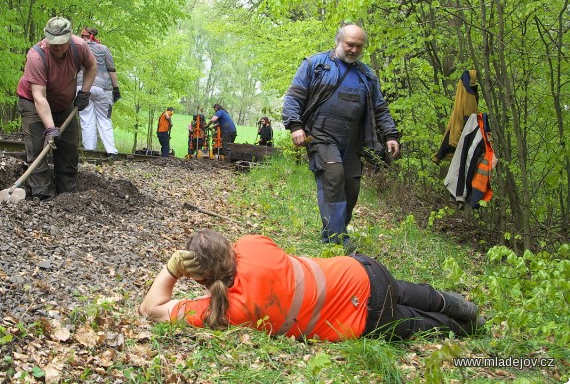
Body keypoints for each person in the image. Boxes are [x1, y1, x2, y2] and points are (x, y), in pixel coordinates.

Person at [138, 229, 484, 342]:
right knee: (407, 290)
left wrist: (171, 270)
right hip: (362, 270)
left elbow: (150, 309)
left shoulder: (229, 310)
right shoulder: (253, 244)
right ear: (228, 246)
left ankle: (463, 327)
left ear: (201, 279)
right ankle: (458, 305)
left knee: (413, 323)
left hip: (363, 320)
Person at [281, 23, 400, 252]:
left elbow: (380, 108)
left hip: (354, 140)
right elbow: (294, 97)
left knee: (351, 189)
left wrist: (390, 135)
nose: (354, 50)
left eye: (359, 46)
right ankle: (337, 241)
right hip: (322, 134)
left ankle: (334, 229)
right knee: (333, 177)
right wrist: (295, 126)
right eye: (350, 44)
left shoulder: (366, 75)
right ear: (338, 41)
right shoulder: (315, 65)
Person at [16, 17, 97, 200]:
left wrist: (84, 93)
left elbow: (92, 66)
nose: (58, 48)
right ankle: (43, 195)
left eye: (62, 43)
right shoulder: (37, 56)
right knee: (37, 147)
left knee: (68, 148)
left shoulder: (79, 47)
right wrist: (51, 128)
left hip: (63, 103)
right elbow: (39, 96)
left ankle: (66, 195)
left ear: (69, 38)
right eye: (54, 44)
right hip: (33, 102)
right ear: (46, 38)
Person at [76, 27, 121, 159]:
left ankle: (90, 152)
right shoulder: (103, 49)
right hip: (103, 89)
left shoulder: (77, 50)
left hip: (82, 87)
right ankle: (112, 151)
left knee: (87, 120)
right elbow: (111, 69)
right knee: (104, 119)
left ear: (83, 36)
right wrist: (116, 89)